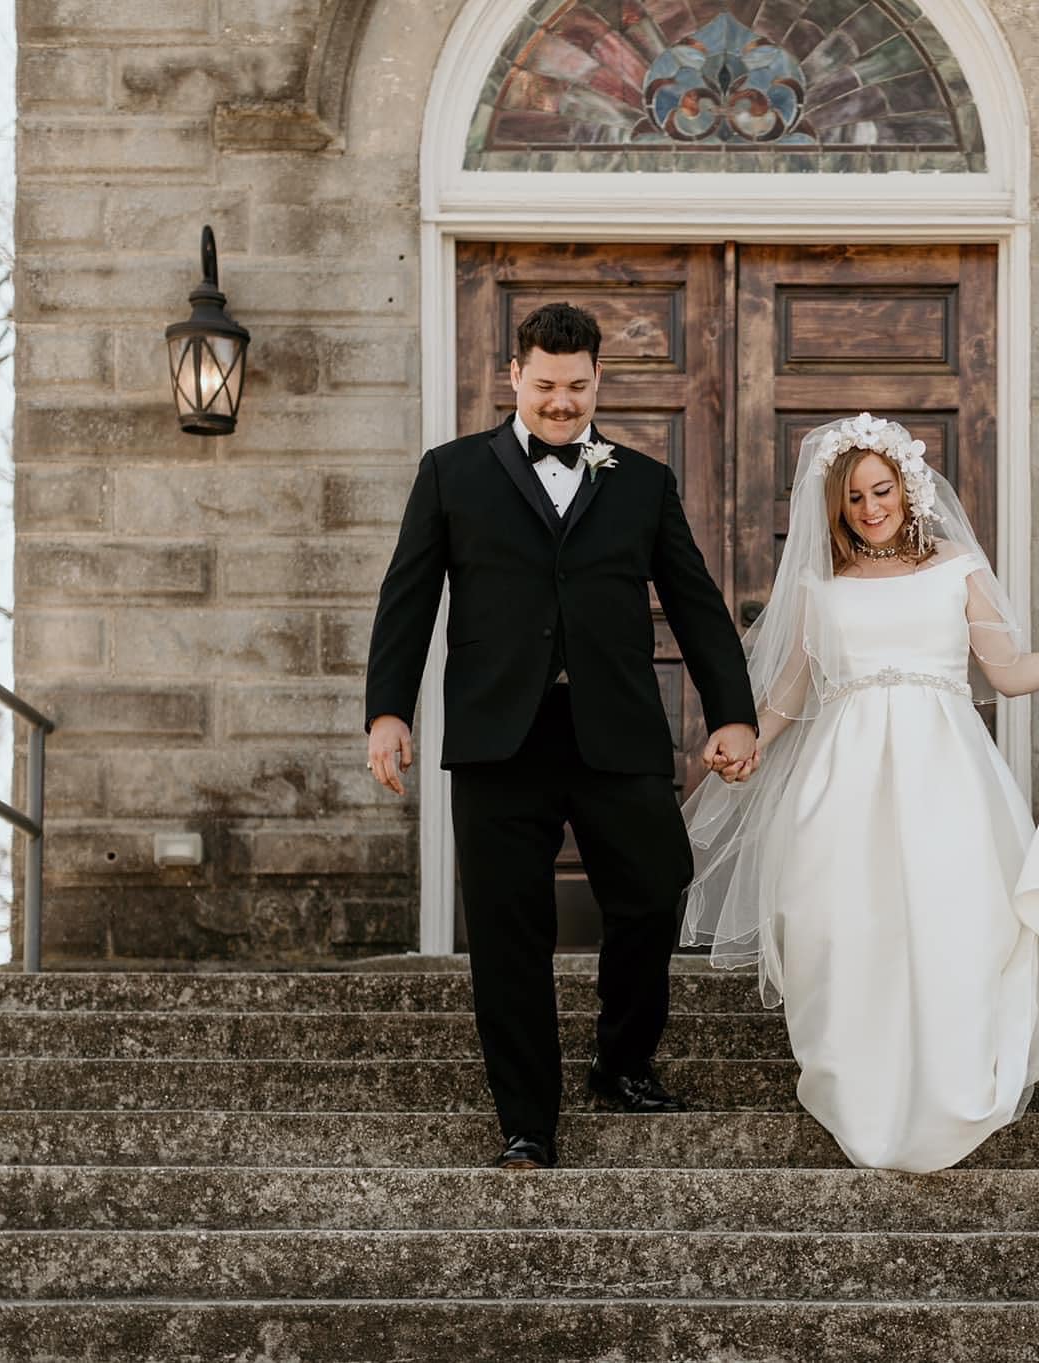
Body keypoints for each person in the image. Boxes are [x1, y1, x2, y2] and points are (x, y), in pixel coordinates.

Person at [682, 412, 1039, 1173]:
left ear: (908, 487)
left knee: (956, 927)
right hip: (843, 787)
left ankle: (952, 1085)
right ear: (835, 508)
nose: (870, 508)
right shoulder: (817, 588)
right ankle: (862, 1092)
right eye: (854, 498)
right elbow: (792, 697)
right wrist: (747, 739)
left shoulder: (956, 565)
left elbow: (1005, 671)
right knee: (842, 931)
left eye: (882, 490)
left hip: (947, 780)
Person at [363, 302, 757, 1170]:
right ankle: (527, 1121)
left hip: (615, 730)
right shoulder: (451, 473)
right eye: (545, 385)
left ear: (598, 382)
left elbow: (694, 602)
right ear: (514, 376)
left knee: (657, 888)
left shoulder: (642, 481)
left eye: (577, 387)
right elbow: (409, 599)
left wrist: (732, 708)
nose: (561, 402)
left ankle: (622, 1062)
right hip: (499, 739)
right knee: (509, 930)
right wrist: (389, 710)